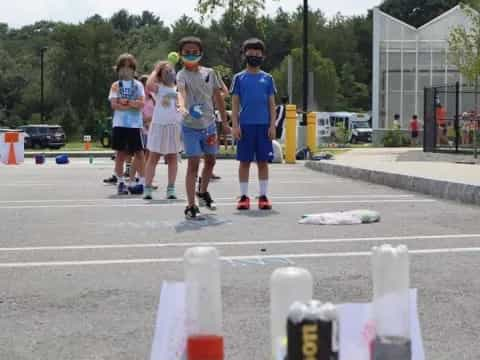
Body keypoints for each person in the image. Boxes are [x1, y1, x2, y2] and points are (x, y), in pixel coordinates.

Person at [176, 36, 230, 219]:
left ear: (201, 53)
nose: (191, 55)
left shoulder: (209, 73)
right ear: (181, 55)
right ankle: (191, 205)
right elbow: (181, 93)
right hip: (190, 126)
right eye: (187, 53)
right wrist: (182, 107)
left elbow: (219, 97)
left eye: (194, 52)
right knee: (193, 164)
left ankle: (203, 191)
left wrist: (225, 122)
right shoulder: (181, 75)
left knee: (211, 161)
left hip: (209, 126)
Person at [231, 38, 277, 211]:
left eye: (258, 53)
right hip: (246, 126)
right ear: (245, 54)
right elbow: (235, 104)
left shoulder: (268, 79)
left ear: (262, 56)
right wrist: (235, 125)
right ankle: (244, 197)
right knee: (244, 162)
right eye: (251, 53)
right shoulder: (239, 78)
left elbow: (272, 104)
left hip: (264, 126)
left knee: (263, 162)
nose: (254, 56)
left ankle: (263, 196)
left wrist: (272, 125)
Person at [143, 61, 183, 200]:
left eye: (171, 70)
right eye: (166, 71)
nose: (170, 73)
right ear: (160, 75)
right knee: (153, 157)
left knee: (172, 158)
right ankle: (147, 188)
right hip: (159, 125)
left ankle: (171, 188)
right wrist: (157, 69)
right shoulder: (158, 87)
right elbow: (148, 85)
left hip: (173, 127)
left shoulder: (177, 88)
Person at [108, 53, 146, 195]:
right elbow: (114, 104)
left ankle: (141, 182)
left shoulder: (138, 85)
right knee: (121, 154)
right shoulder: (116, 86)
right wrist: (130, 105)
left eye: (129, 67)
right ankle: (120, 182)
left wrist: (128, 103)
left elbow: (141, 103)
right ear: (118, 69)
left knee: (140, 153)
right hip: (120, 124)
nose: (126, 70)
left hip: (135, 125)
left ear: (134, 69)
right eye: (123, 67)